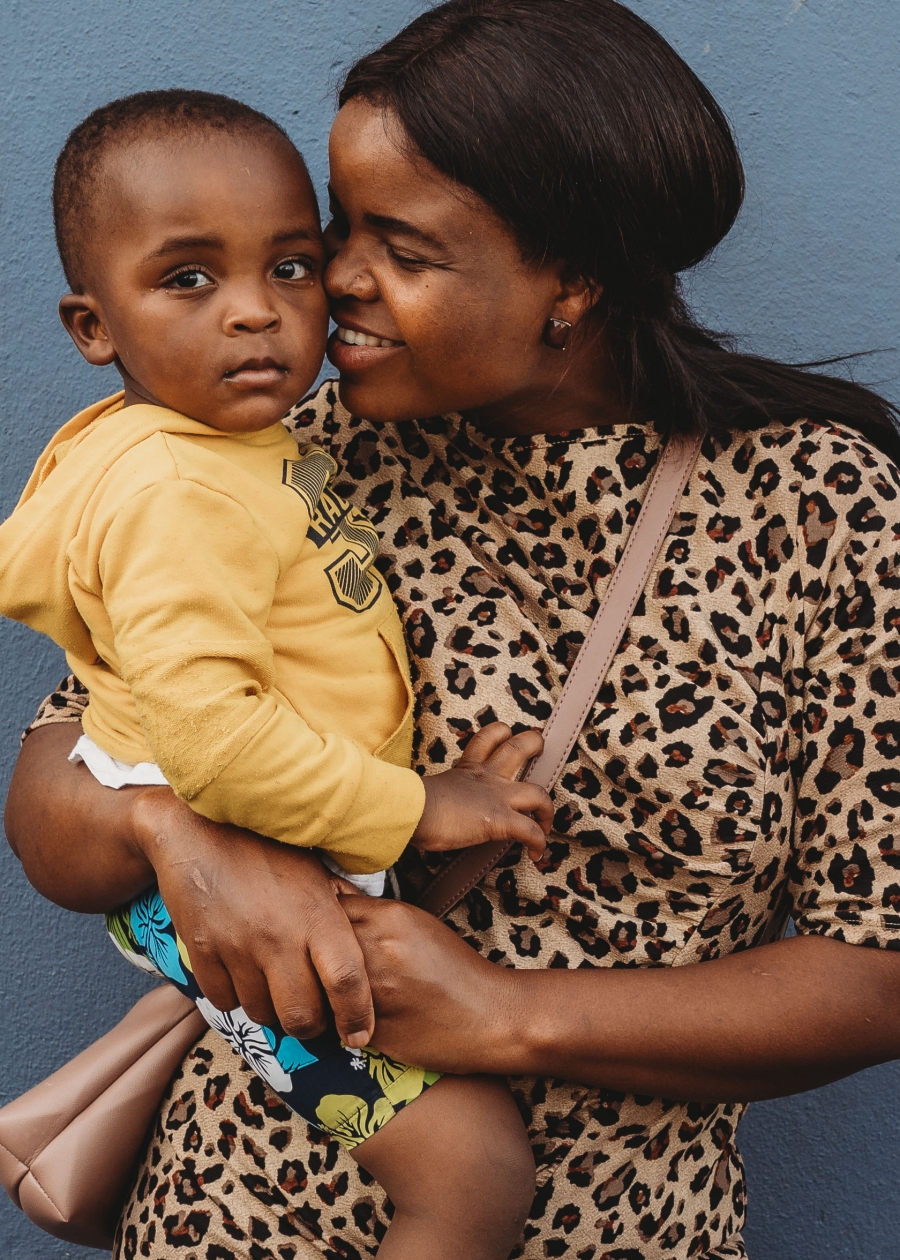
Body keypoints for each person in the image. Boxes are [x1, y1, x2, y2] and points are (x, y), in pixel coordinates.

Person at [8, 1, 900, 1256]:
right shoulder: (275, 455)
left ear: (572, 282)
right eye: (340, 226)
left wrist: (504, 1014)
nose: (337, 281)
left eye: (405, 247)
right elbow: (63, 783)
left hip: (620, 1224)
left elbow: (876, 966)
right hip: (237, 1208)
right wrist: (177, 835)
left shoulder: (818, 505)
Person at [0, 88, 551, 1260]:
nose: (257, 315)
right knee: (472, 1173)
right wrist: (419, 806)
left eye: (291, 268)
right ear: (95, 329)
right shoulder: (174, 493)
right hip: (217, 916)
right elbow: (214, 744)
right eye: (189, 279)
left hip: (265, 877)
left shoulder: (232, 446)